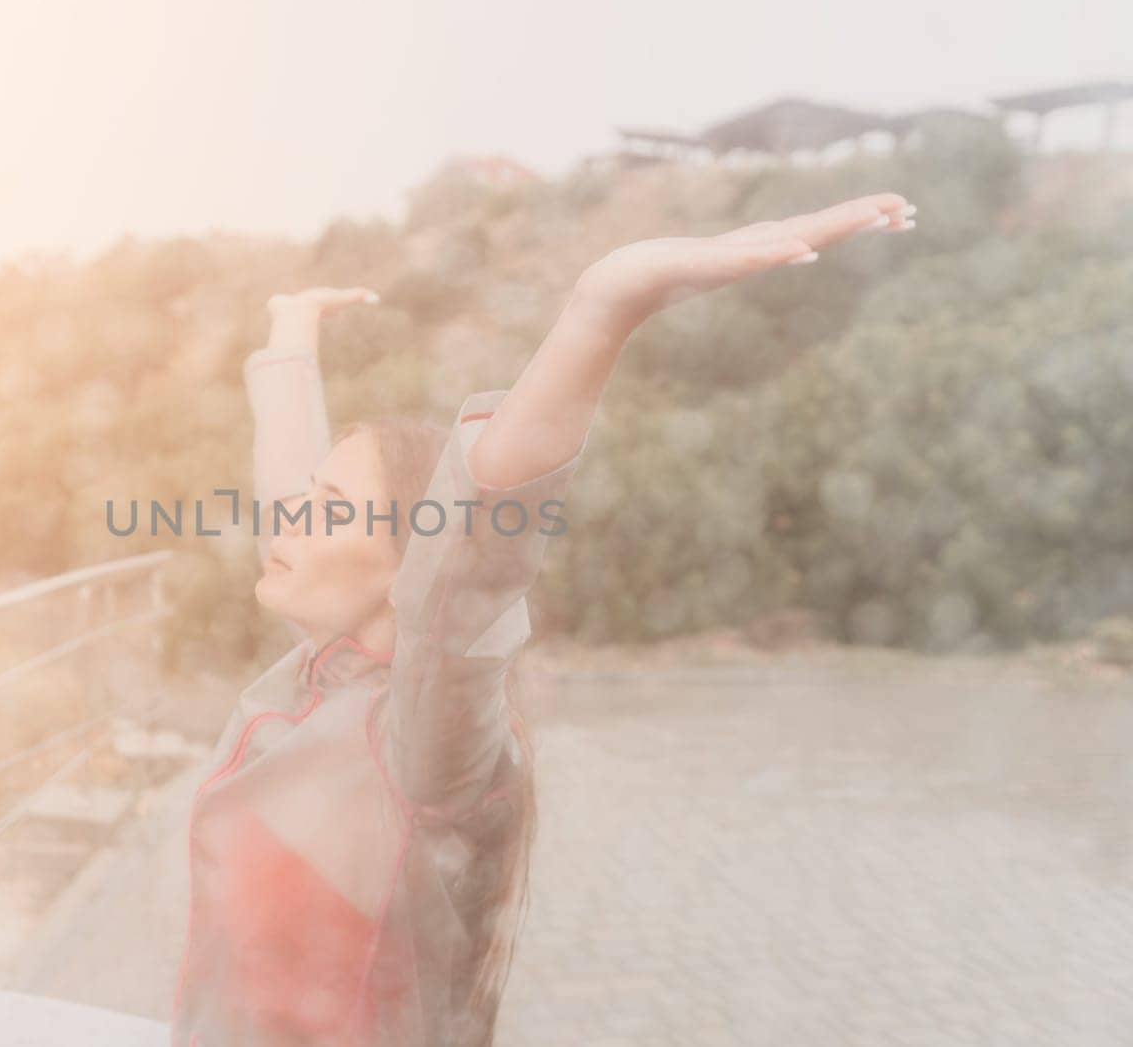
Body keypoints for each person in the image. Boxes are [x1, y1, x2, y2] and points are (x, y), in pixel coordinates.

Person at [170, 193, 914, 1046]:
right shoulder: (322, 667)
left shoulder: (424, 745)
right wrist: (290, 334)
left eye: (329, 507)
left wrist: (604, 308)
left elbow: (474, 561)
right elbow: (290, 481)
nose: (289, 520)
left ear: (412, 567)